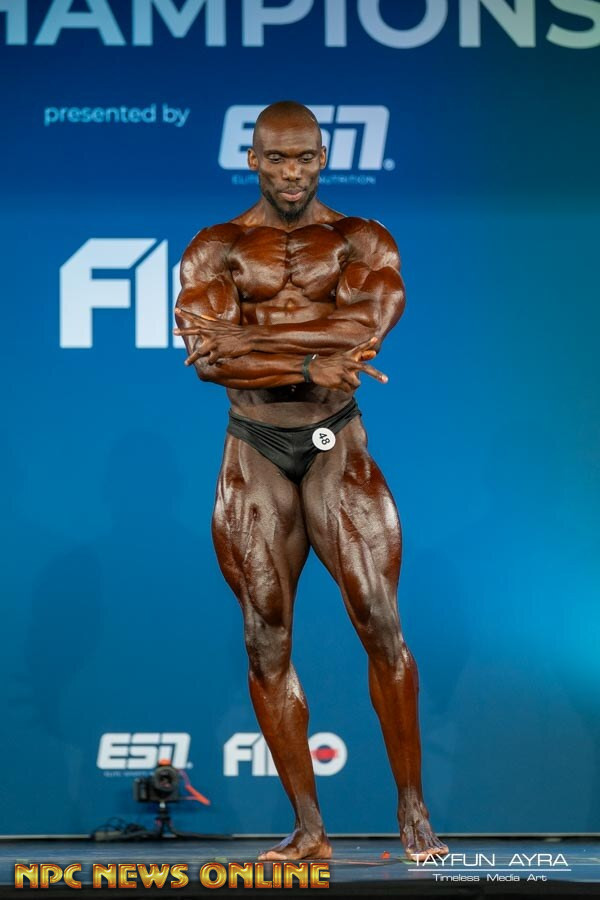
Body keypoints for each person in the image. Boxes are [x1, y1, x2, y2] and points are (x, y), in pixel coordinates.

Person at [173, 101, 449, 862]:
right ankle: (309, 828)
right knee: (265, 637)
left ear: (322, 158)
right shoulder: (215, 248)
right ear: (253, 160)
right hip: (254, 447)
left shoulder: (360, 239)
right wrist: (303, 359)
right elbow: (207, 360)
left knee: (380, 621)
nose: (291, 173)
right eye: (277, 158)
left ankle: (413, 807)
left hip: (335, 441)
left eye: (304, 158)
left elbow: (364, 331)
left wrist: (253, 339)